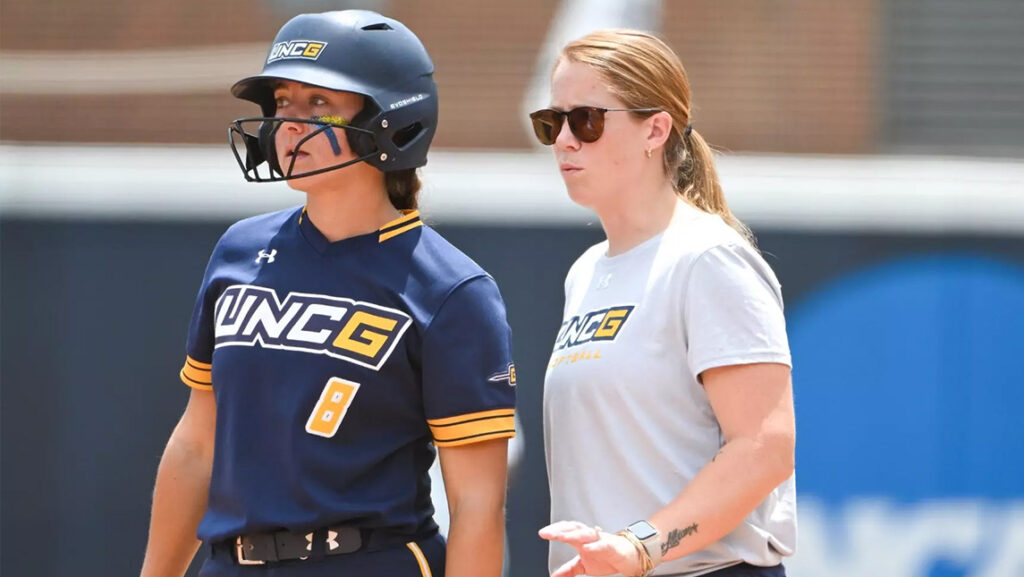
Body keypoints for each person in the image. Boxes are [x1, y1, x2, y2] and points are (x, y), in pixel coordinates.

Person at [140, 10, 516, 577]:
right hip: (228, 563)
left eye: (318, 103)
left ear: (392, 120)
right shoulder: (239, 250)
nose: (289, 124)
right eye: (283, 102)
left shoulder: (452, 290)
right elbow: (197, 445)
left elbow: (477, 506)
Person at [530, 29, 796, 577]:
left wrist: (639, 545)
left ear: (655, 129)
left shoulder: (707, 258)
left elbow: (765, 445)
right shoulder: (586, 272)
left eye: (587, 120)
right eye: (552, 123)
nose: (564, 141)